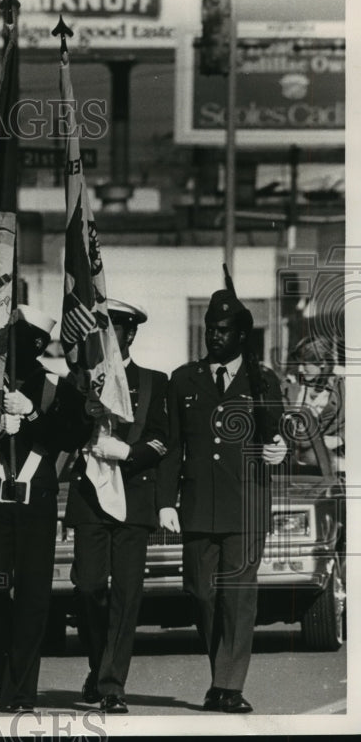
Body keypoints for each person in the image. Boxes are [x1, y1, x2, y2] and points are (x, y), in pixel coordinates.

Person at [156, 284, 287, 713]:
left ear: (241, 335)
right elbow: (173, 446)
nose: (215, 336)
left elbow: (275, 436)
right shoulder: (183, 379)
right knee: (199, 592)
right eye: (211, 328)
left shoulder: (262, 379)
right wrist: (165, 501)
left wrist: (279, 449)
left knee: (237, 596)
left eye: (224, 329)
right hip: (196, 505)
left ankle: (228, 686)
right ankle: (221, 675)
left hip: (246, 504)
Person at [0, 304, 92, 712]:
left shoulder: (57, 386)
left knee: (33, 599)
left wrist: (34, 415)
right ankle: (5, 669)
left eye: (25, 340)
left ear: (38, 344)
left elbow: (76, 433)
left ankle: (20, 690)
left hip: (35, 503)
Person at [65, 299, 168, 714]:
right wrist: (83, 415)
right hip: (91, 497)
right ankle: (98, 664)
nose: (109, 337)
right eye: (103, 329)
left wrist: (127, 452)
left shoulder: (153, 382)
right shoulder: (80, 381)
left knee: (126, 595)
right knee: (88, 587)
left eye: (117, 330)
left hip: (134, 497)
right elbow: (64, 435)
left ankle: (112, 685)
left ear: (130, 335)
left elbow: (162, 440)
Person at [281, 336, 344, 477]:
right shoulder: (290, 386)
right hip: (292, 466)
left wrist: (340, 439)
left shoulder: (341, 388)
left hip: (330, 468)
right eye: (298, 363)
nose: (300, 369)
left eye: (305, 364)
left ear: (322, 363)